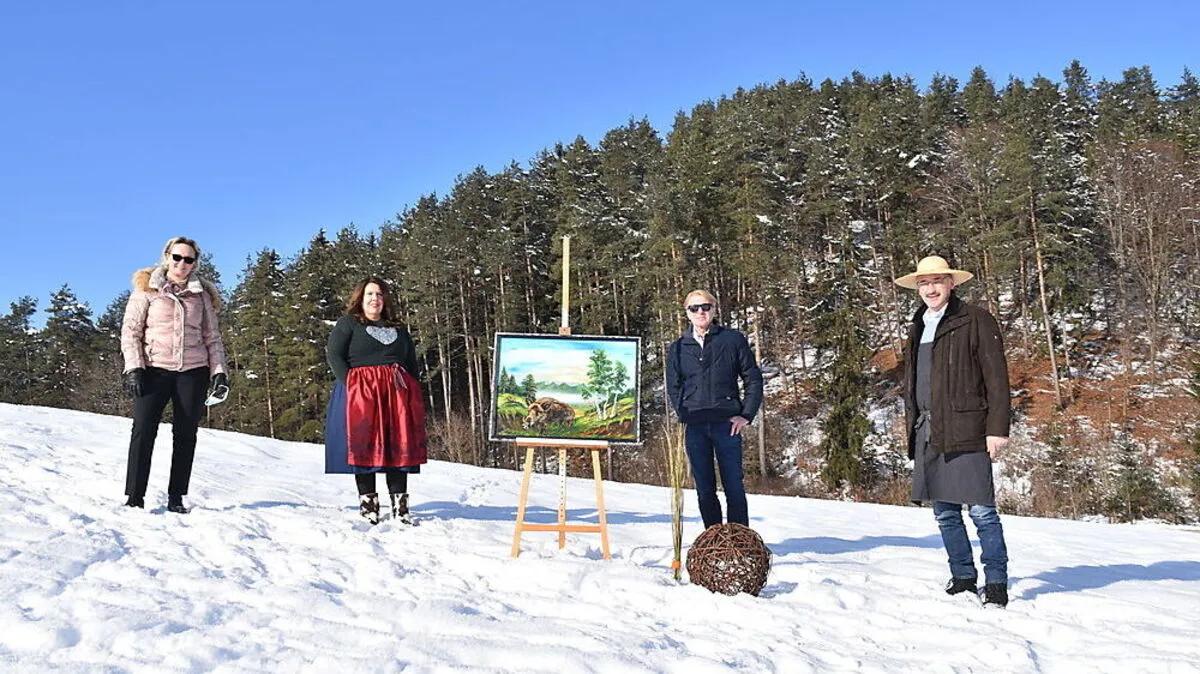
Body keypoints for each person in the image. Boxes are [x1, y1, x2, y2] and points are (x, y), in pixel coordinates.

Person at [895, 255, 1012, 608]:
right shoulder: (918, 325)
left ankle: (996, 582)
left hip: (969, 428)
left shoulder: (976, 320)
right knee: (944, 511)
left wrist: (997, 428)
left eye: (937, 281)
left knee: (981, 512)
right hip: (928, 428)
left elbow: (997, 378)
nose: (930, 288)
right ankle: (962, 576)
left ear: (952, 284)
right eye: (924, 283)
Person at [120, 236, 229, 514]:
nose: (182, 263)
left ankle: (176, 496)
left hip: (192, 371)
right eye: (177, 257)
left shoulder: (201, 295)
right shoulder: (146, 289)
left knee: (185, 434)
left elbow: (212, 337)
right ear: (167, 256)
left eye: (188, 259)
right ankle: (135, 496)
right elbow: (131, 331)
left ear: (195, 263)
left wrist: (219, 372)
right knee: (143, 430)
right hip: (154, 370)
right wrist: (134, 367)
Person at [325, 276, 427, 525]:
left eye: (379, 294)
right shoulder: (348, 324)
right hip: (362, 394)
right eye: (370, 294)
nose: (375, 299)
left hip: (397, 396)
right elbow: (334, 355)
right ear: (360, 297)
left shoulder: (398, 328)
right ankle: (369, 506)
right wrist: (352, 384)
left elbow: (411, 362)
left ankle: (400, 508)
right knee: (364, 447)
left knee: (397, 448)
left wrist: (413, 390)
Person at [666, 289, 764, 529]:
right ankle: (714, 539)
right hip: (695, 425)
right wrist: (684, 412)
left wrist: (746, 414)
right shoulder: (678, 348)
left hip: (727, 424)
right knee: (704, 488)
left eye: (705, 307)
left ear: (714, 310)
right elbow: (673, 386)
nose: (700, 312)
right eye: (694, 308)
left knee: (733, 485)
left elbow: (753, 378)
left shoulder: (732, 340)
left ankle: (740, 541)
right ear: (687, 313)